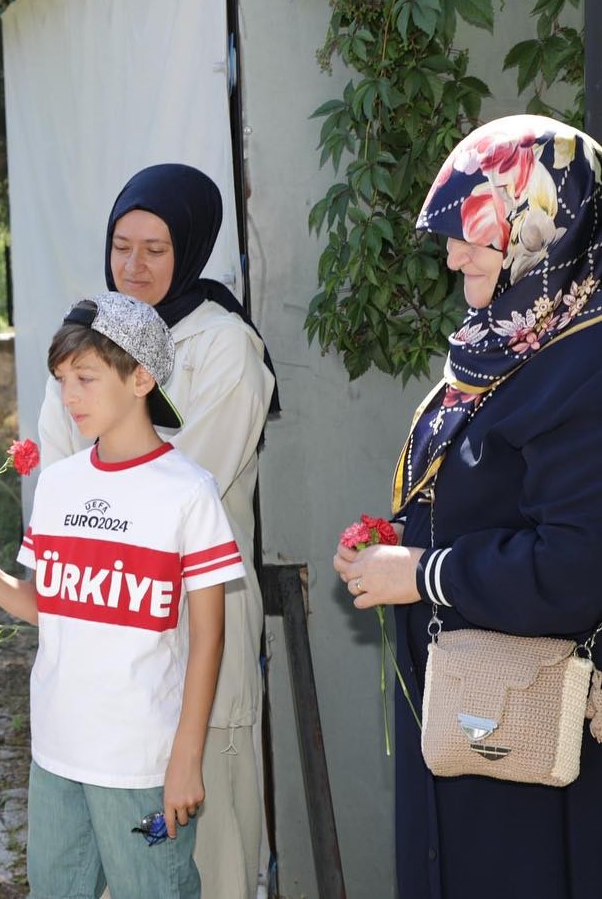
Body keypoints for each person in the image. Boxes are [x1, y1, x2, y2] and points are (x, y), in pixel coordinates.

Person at [333, 115, 602, 897]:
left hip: (535, 726)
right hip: (471, 704)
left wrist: (420, 571)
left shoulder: (582, 363)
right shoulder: (509, 338)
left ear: (541, 231)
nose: (450, 256)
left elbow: (573, 569)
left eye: (471, 237)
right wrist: (398, 538)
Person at [0, 290, 244, 897]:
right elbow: (49, 607)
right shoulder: (57, 485)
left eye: (85, 376)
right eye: (61, 379)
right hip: (55, 755)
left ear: (141, 377)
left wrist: (186, 757)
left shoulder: (188, 491)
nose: (68, 395)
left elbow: (210, 636)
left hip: (141, 765)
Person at [37, 163, 277, 897]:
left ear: (192, 250)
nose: (132, 266)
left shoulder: (223, 347)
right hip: (102, 635)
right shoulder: (89, 343)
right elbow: (57, 470)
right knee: (98, 846)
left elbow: (170, 486)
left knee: (208, 837)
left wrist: (91, 489)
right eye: (120, 245)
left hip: (190, 615)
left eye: (155, 249)